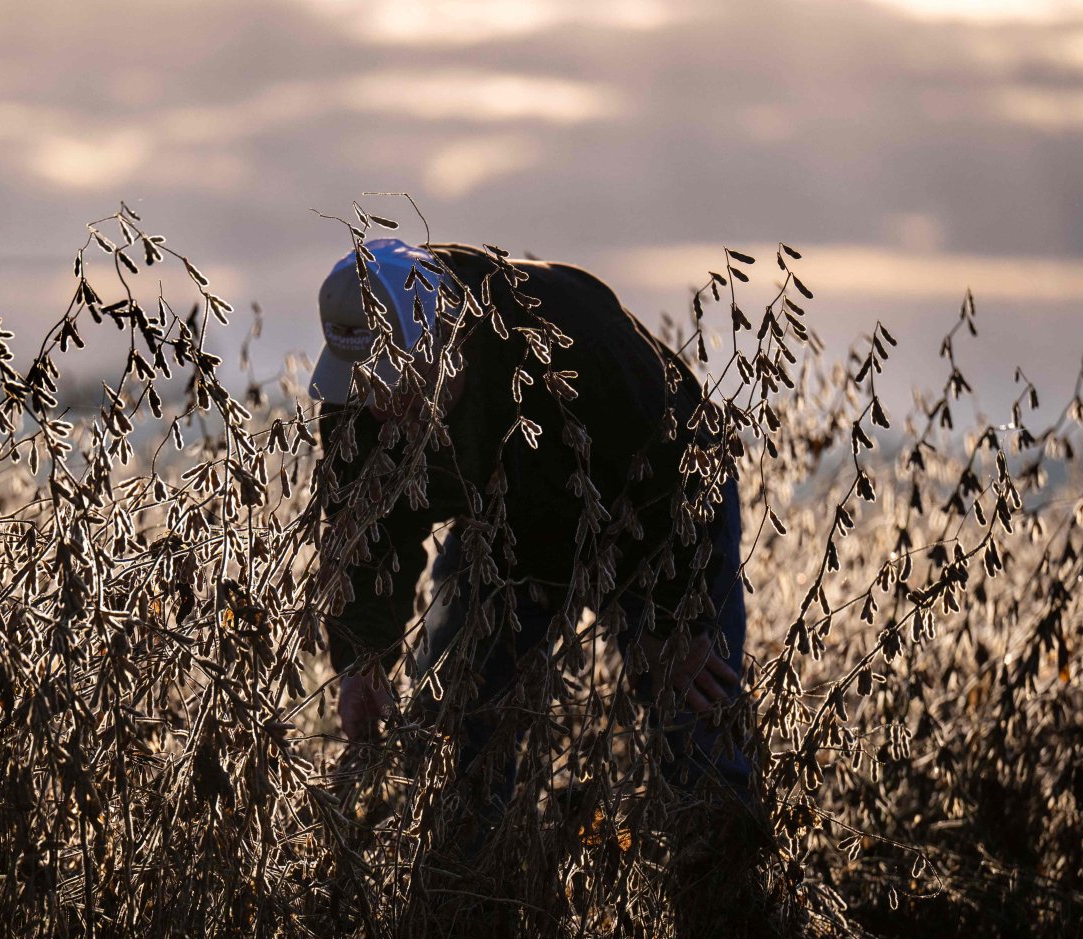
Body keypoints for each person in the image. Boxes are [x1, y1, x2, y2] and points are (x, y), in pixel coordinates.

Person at [310, 237, 754, 810]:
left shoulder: (571, 335)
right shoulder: (359, 403)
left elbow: (684, 472)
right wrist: (362, 657)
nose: (378, 402)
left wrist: (677, 622)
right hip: (507, 535)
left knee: (696, 721)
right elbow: (365, 535)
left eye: (395, 375)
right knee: (453, 729)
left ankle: (726, 878)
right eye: (365, 382)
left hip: (657, 520)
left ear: (449, 336)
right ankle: (469, 889)